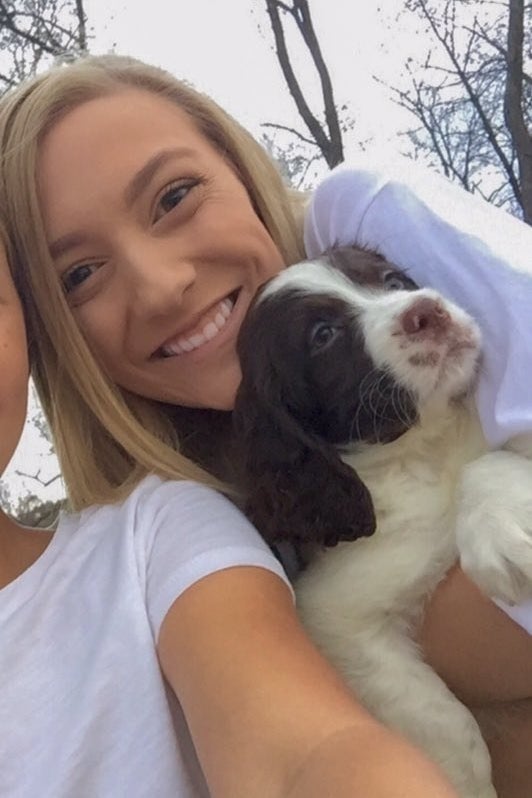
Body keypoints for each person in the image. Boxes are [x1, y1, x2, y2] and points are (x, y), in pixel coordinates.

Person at [0, 52, 528, 794]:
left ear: (243, 171)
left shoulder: (373, 221)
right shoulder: (175, 516)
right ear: (51, 337)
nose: (163, 285)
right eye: (79, 274)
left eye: (174, 196)